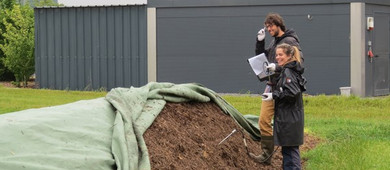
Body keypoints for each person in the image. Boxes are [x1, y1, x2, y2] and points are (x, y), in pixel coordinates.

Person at [250, 12, 303, 165]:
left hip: (284, 86)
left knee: (286, 127)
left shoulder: (290, 41)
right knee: (263, 120)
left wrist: (278, 68)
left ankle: (286, 159)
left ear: (278, 24)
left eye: (270, 26)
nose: (268, 29)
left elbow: (298, 65)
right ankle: (267, 155)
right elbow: (263, 59)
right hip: (271, 84)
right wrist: (260, 42)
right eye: (266, 27)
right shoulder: (274, 42)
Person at [262, 43, 306, 169]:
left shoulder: (288, 72)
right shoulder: (290, 69)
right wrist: (276, 68)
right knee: (289, 152)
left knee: (291, 154)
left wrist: (273, 95)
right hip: (291, 118)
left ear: (289, 56)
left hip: (289, 119)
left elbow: (292, 93)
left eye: (281, 55)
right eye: (276, 55)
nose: (277, 57)